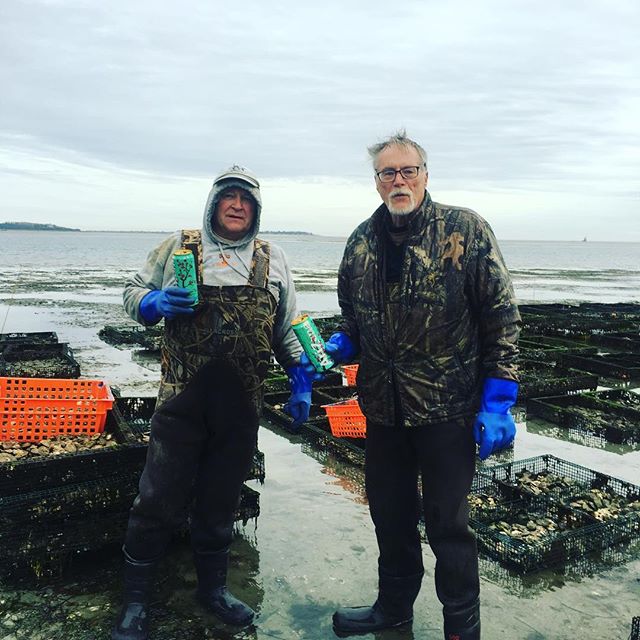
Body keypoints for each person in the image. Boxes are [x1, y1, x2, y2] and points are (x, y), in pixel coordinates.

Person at [307, 132, 520, 640]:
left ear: (425, 174)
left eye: (408, 171)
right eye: (387, 173)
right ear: (376, 181)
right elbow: (354, 322)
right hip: (382, 410)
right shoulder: (360, 242)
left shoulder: (465, 230)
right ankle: (393, 610)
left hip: (448, 409)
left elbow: (502, 319)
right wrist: (339, 346)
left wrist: (498, 400)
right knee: (390, 518)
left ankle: (461, 629)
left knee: (449, 527)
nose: (398, 181)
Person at [112, 165, 314, 640]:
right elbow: (130, 292)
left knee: (220, 502)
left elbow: (286, 327)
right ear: (214, 202)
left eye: (247, 198)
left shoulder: (273, 258)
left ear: (257, 208)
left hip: (241, 408)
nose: (237, 205)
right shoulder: (179, 247)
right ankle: (135, 602)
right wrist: (154, 303)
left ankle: (213, 590)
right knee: (156, 501)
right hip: (182, 401)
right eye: (229, 196)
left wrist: (301, 377)